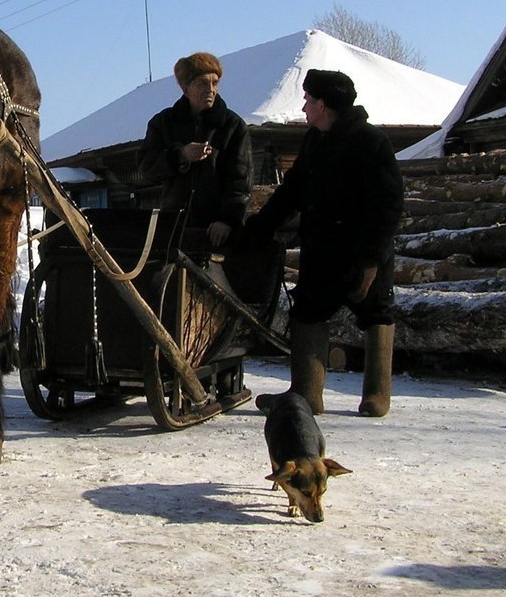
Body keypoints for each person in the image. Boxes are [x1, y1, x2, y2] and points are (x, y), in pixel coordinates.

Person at [243, 69, 403, 417]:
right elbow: (292, 192)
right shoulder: (315, 140)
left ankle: (377, 395)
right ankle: (306, 393)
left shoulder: (371, 142)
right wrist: (259, 226)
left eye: (307, 100)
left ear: (322, 104)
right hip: (322, 251)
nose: (303, 106)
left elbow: (388, 206)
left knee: (375, 313)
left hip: (362, 252)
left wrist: (372, 259)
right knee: (308, 313)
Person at [139, 52, 252, 247]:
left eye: (214, 83)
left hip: (216, 233)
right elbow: (146, 168)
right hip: (173, 230)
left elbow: (240, 181)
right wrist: (180, 156)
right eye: (202, 83)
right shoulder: (164, 123)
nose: (210, 89)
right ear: (186, 89)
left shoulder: (232, 126)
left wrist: (227, 219)